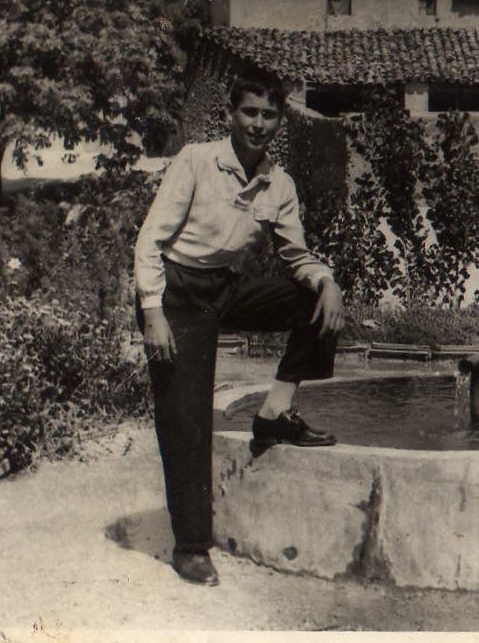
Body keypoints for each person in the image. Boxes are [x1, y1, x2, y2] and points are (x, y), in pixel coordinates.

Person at [134, 69, 346, 587]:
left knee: (316, 303)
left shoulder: (280, 183)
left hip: (226, 289)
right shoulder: (196, 162)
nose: (258, 123)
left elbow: (296, 255)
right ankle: (190, 546)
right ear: (232, 114)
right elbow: (149, 242)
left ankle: (274, 411)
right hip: (180, 294)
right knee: (186, 419)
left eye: (269, 114)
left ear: (280, 119)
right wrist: (153, 312)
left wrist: (328, 281)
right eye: (249, 112)